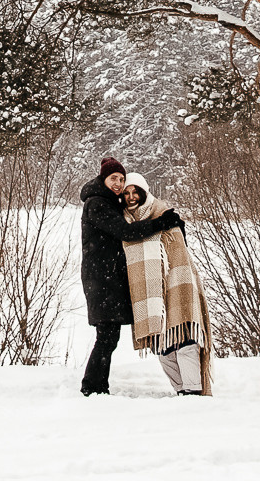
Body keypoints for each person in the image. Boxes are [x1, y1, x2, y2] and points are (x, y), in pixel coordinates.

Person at [78, 156, 182, 396]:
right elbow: (125, 231)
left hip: (107, 277)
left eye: (121, 179)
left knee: (108, 336)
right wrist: (160, 224)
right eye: (114, 178)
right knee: (106, 336)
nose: (118, 183)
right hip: (101, 279)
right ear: (104, 178)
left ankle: (96, 386)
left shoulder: (109, 202)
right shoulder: (97, 204)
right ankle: (92, 388)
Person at [122, 178, 212, 395]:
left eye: (136, 192)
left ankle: (194, 390)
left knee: (186, 341)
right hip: (149, 294)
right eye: (127, 193)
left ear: (145, 192)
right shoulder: (124, 223)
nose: (132, 197)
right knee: (163, 346)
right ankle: (182, 390)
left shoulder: (164, 213)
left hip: (178, 284)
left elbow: (180, 252)